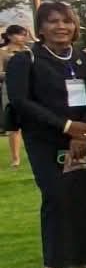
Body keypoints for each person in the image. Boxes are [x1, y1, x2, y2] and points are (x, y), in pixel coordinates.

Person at [7, 1, 86, 268]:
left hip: (85, 138)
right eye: (53, 21)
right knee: (57, 196)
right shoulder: (26, 60)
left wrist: (83, 132)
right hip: (46, 140)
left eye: (66, 21)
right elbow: (21, 101)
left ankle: (80, 258)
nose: (61, 27)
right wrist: (67, 127)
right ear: (40, 28)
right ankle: (54, 263)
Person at [2, 23, 32, 169]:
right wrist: (15, 72)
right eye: (19, 34)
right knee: (13, 126)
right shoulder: (3, 52)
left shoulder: (29, 51)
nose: (23, 37)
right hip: (10, 89)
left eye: (24, 34)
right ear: (9, 36)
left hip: (30, 88)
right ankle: (15, 158)